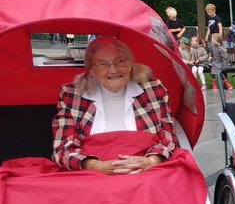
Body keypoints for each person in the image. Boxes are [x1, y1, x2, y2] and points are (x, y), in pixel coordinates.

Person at [52, 37, 178, 173]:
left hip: (147, 172)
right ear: (91, 70)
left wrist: (152, 161)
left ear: (130, 64)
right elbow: (63, 148)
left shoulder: (153, 89)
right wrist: (95, 166)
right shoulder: (72, 94)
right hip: (94, 175)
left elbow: (168, 138)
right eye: (103, 64)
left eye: (120, 61)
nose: (113, 70)